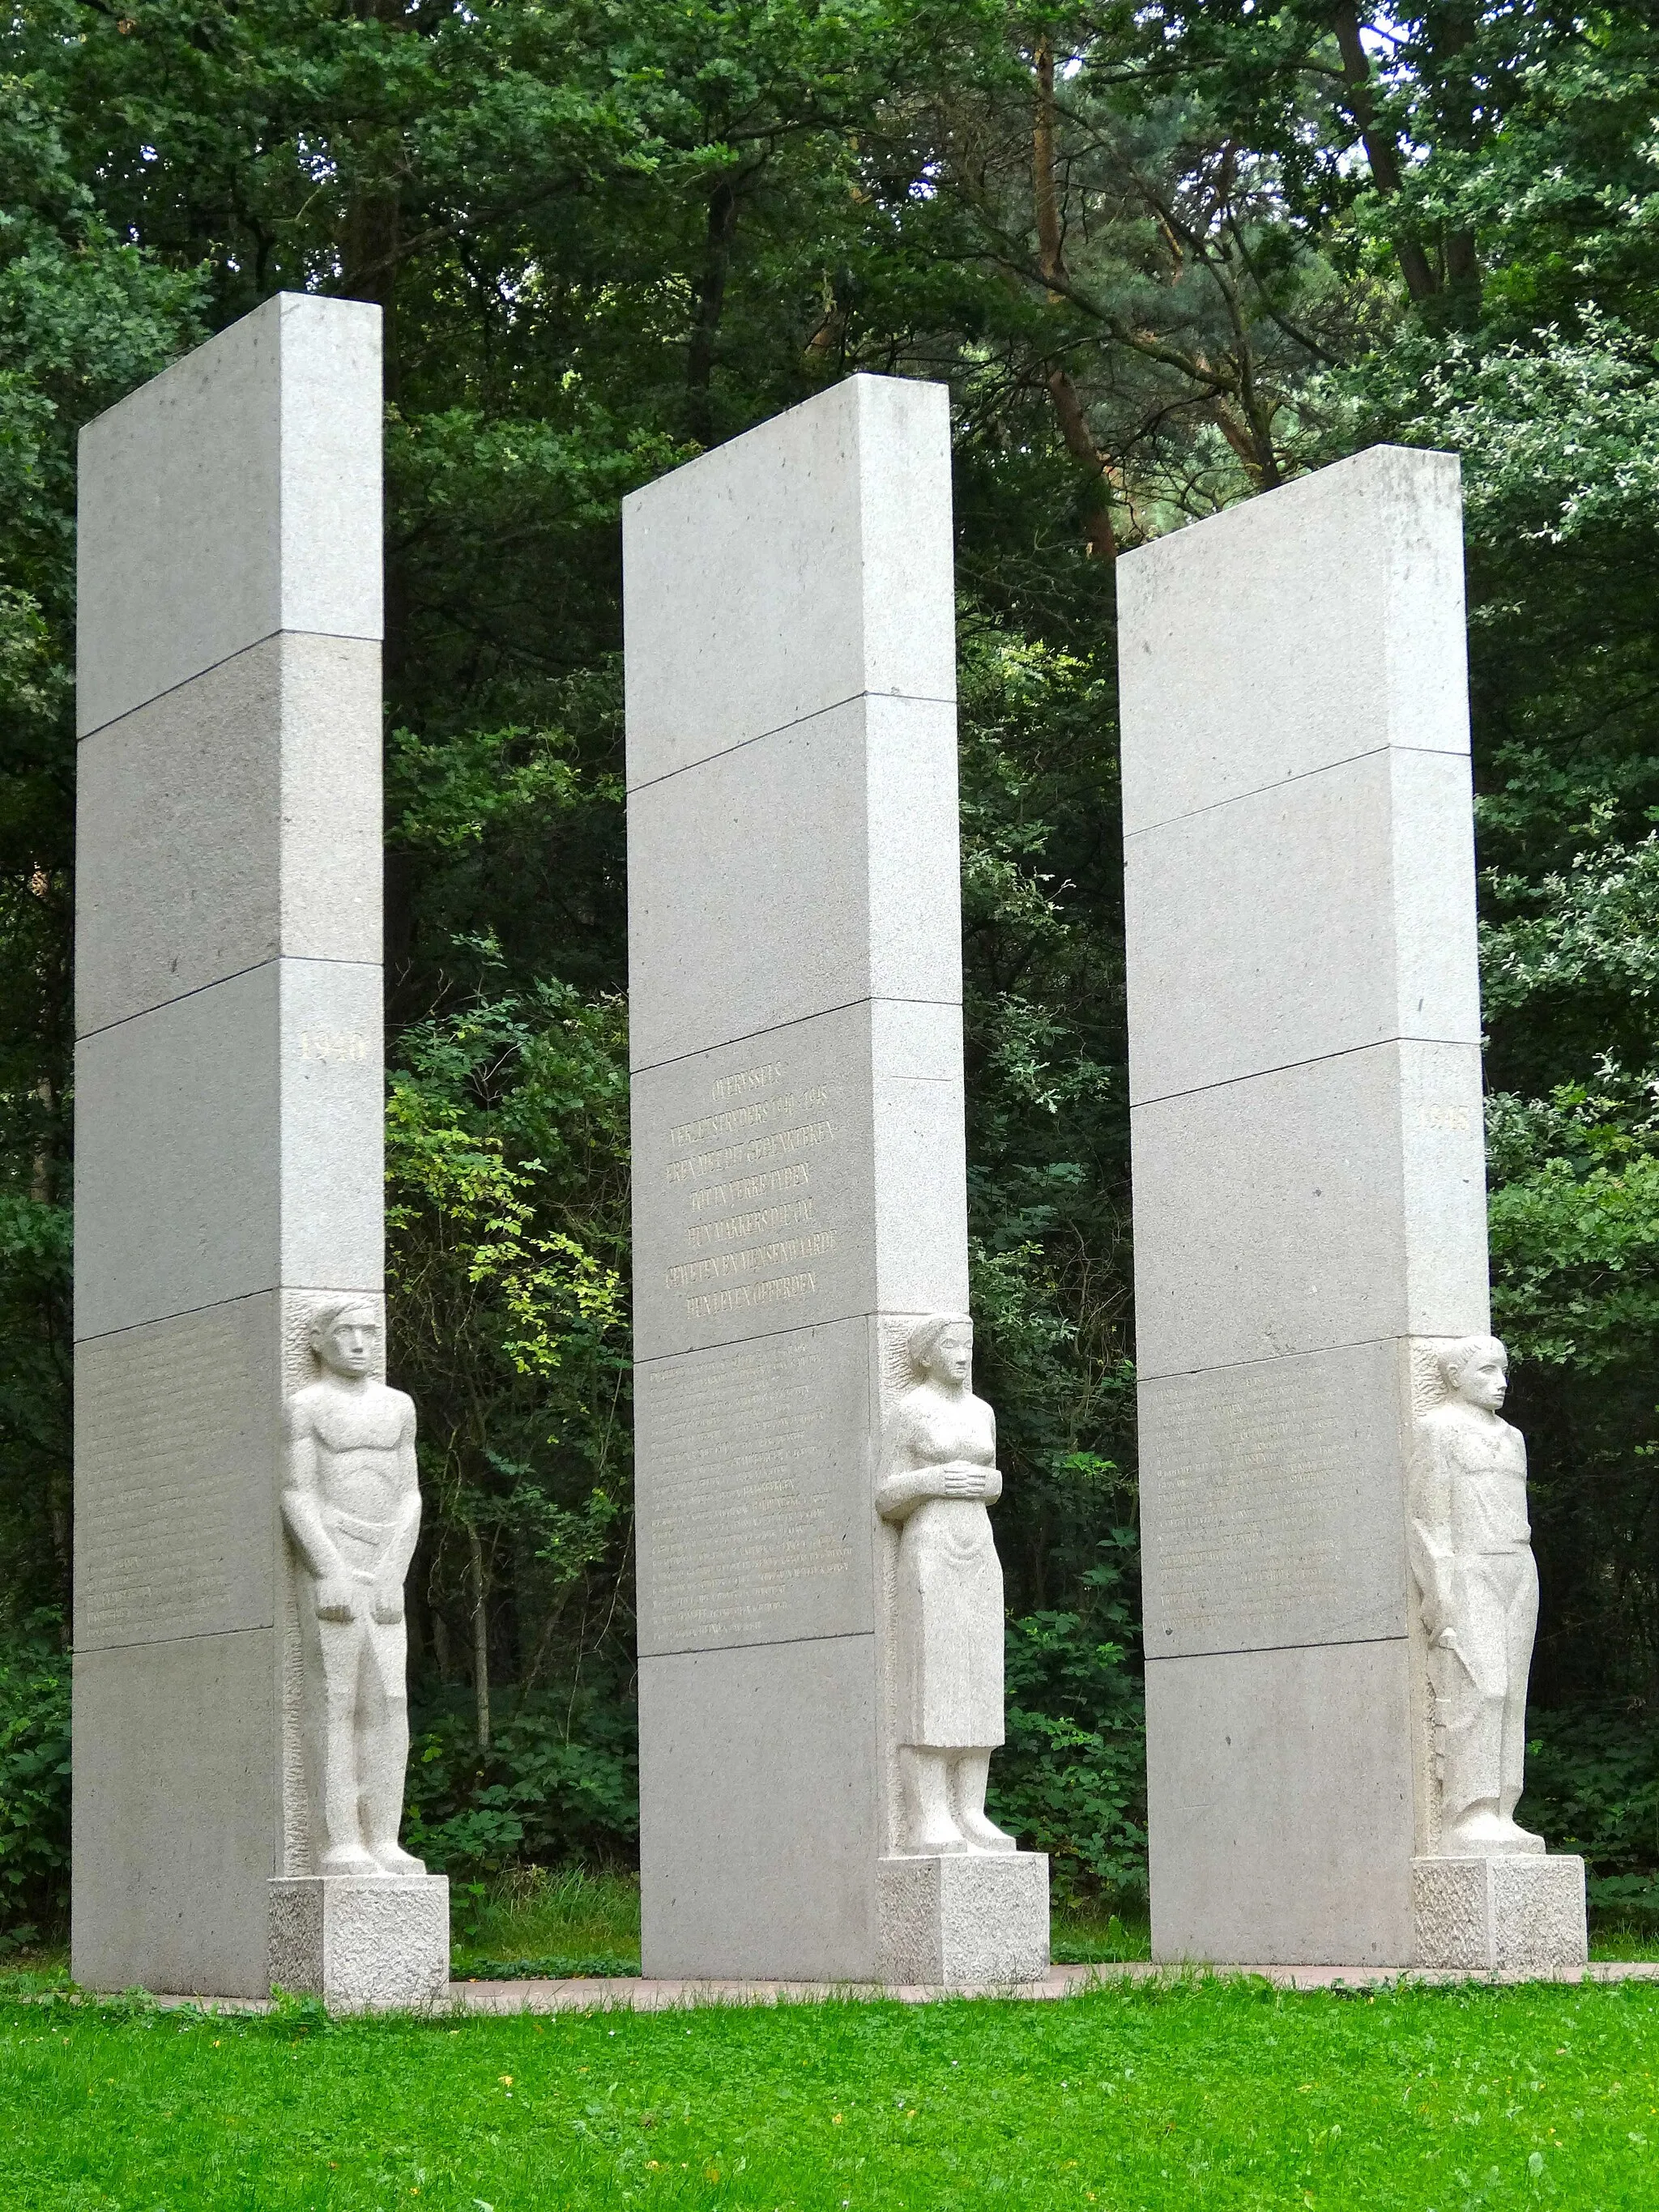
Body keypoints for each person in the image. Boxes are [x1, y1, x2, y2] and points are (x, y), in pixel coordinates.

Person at [282, 1298, 426, 1877]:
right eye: (346, 1331)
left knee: (390, 1700)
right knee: (337, 1698)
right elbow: (297, 1492)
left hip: (384, 1557)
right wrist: (328, 1568)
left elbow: (411, 1493)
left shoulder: (399, 1406)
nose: (362, 1342)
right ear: (319, 1339)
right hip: (335, 1556)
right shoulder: (306, 1407)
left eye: (371, 1330)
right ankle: (342, 1839)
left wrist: (395, 1567)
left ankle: (385, 1838)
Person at [876, 1314, 1016, 1855]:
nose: (963, 1354)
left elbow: (996, 1481)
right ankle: (928, 1815)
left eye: (969, 1345)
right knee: (932, 1679)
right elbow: (885, 1494)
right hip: (930, 1547)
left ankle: (973, 1810)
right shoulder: (910, 1412)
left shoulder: (983, 1412)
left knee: (978, 1676)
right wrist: (933, 1479)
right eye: (952, 1345)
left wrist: (990, 1483)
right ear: (928, 1354)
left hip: (978, 1548)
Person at [1409, 1334, 1543, 1855]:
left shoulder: (1512, 1437)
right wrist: (1439, 1597)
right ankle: (1467, 1810)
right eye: (1487, 1371)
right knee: (1480, 1688)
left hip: (1517, 1565)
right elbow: (1427, 1518)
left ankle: (1503, 1808)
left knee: (1511, 1694)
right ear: (1456, 1377)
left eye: (1504, 1370)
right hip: (1469, 1568)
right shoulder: (1437, 1430)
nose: (1501, 1382)